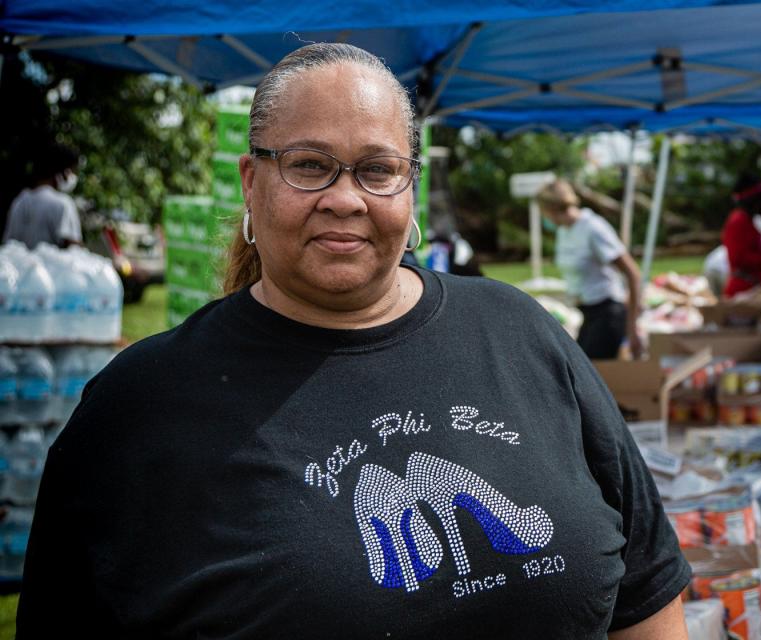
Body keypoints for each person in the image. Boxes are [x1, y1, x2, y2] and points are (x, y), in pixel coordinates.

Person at [18, 43, 690, 639]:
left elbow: (647, 587)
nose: (346, 198)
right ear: (252, 183)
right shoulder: (140, 405)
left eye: (376, 168)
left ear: (411, 186)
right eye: (310, 166)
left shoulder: (520, 332)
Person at [536, 180, 644, 360]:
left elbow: (632, 273)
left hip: (608, 312)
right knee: (574, 365)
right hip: (587, 312)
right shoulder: (564, 231)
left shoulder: (593, 228)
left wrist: (632, 329)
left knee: (585, 373)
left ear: (551, 209)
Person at [3, 143, 83, 249]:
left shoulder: (21, 200)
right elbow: (74, 249)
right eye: (72, 171)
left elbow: (8, 244)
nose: (72, 176)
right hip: (50, 265)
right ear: (62, 171)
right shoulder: (63, 203)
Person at [721, 173, 761, 297]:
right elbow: (739, 258)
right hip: (743, 291)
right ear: (755, 200)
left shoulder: (748, 221)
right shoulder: (738, 221)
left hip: (752, 288)